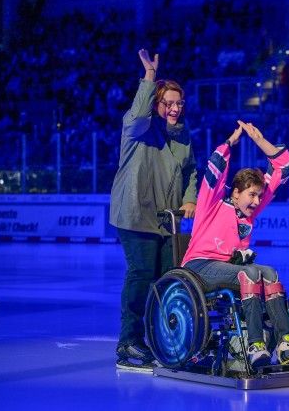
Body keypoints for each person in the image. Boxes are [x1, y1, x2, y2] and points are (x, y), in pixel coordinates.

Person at [181, 120, 289, 369]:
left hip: (229, 269)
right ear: (236, 192)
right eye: (252, 194)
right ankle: (254, 345)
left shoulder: (250, 210)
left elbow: (285, 168)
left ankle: (285, 343)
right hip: (198, 266)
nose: (257, 200)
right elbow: (214, 170)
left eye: (259, 196)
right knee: (250, 272)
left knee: (270, 272)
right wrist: (230, 143)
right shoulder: (213, 203)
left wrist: (260, 141)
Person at [110, 49, 198, 372]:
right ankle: (127, 342)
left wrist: (190, 198)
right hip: (134, 213)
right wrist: (149, 77)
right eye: (168, 103)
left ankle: (161, 336)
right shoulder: (137, 127)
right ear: (155, 104)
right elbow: (137, 114)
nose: (175, 109)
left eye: (179, 104)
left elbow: (191, 171)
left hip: (167, 218)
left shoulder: (183, 133)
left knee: (168, 278)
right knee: (142, 273)